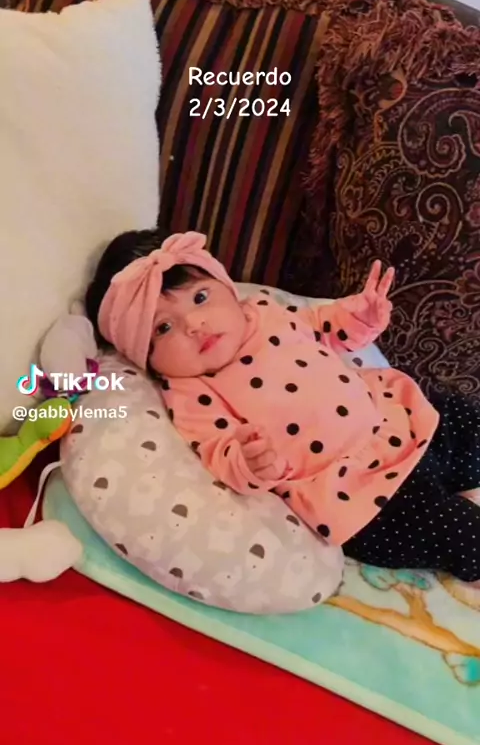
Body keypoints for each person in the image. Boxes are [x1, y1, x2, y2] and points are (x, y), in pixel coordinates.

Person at [85, 228, 480, 584]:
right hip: (359, 494)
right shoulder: (188, 392)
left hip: (397, 419)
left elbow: (325, 326)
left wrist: (361, 316)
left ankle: (462, 477)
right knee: (458, 532)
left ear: (228, 289)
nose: (194, 325)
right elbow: (218, 451)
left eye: (200, 297)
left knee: (461, 415)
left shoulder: (266, 311)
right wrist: (249, 463)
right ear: (147, 358)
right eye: (163, 327)